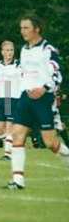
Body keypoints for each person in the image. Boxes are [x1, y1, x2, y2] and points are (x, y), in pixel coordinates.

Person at [6, 15, 69, 190]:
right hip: (26, 98)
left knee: (50, 142)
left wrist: (44, 88)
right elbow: (24, 73)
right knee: (17, 135)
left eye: (26, 28)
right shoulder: (24, 50)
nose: (22, 31)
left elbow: (58, 74)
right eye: (21, 28)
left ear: (37, 29)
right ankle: (18, 181)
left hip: (43, 98)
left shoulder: (48, 49)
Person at [0, 41, 22, 160]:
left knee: (10, 127)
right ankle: (10, 144)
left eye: (11, 50)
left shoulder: (19, 65)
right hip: (0, 99)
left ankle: (7, 154)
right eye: (7, 50)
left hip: (14, 98)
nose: (9, 52)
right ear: (2, 52)